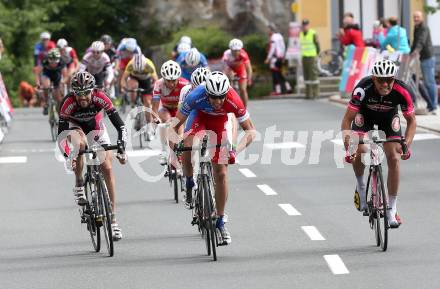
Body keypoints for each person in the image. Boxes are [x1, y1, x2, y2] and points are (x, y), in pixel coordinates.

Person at [171, 71, 256, 244]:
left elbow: (251, 132)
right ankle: (188, 181)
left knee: (222, 173)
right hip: (199, 116)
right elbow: (173, 125)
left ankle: (220, 220)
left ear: (226, 94)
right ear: (206, 93)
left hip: (219, 124)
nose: (217, 102)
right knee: (187, 145)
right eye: (213, 97)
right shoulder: (195, 96)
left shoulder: (233, 99)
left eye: (220, 98)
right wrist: (175, 146)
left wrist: (235, 151)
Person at [341, 59, 416, 228]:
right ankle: (361, 186)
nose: (385, 84)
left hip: (388, 119)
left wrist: (407, 145)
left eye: (389, 79)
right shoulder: (362, 88)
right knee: (360, 150)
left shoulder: (402, 90)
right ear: (373, 78)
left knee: (394, 157)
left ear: (394, 78)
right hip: (364, 116)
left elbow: (412, 121)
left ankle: (391, 208)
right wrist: (349, 147)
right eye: (381, 80)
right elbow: (347, 120)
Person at [57, 71, 127, 241]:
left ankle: (113, 219)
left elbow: (121, 126)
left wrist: (122, 147)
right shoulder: (68, 103)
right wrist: (69, 155)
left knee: (107, 168)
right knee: (79, 145)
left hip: (96, 129)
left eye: (86, 93)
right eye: (78, 94)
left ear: (92, 90)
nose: (82, 98)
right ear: (73, 93)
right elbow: (61, 135)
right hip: (76, 128)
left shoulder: (100, 97)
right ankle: (79, 183)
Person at [152, 60, 189, 165]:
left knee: (179, 122)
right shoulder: (158, 84)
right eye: (168, 81)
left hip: (180, 109)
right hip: (165, 108)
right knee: (168, 122)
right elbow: (154, 106)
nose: (172, 84)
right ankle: (164, 151)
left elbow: (190, 104)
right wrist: (155, 118)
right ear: (164, 78)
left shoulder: (184, 84)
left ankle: (180, 145)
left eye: (174, 80)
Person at [121, 53, 158, 138]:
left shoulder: (149, 65)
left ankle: (149, 126)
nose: (139, 72)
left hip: (146, 81)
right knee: (133, 86)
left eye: (141, 70)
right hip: (134, 79)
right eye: (137, 70)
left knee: (148, 103)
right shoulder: (130, 64)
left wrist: (153, 89)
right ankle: (134, 104)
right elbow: (123, 79)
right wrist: (123, 88)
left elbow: (156, 81)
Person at [411, 11, 438, 114]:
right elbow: (415, 42)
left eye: (418, 17)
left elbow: (421, 41)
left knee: (429, 82)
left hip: (428, 57)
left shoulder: (424, 28)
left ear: (422, 18)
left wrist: (416, 51)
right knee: (427, 82)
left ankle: (434, 106)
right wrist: (410, 52)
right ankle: (431, 105)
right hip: (422, 58)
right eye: (415, 17)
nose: (416, 18)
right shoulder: (416, 27)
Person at [36, 48, 68, 115]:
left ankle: (60, 113)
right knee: (46, 86)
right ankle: (46, 103)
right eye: (51, 60)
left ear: (59, 59)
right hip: (47, 74)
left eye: (55, 61)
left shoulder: (62, 62)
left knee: (59, 99)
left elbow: (65, 76)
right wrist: (38, 82)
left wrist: (62, 83)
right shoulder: (45, 61)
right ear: (48, 59)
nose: (53, 63)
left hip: (57, 75)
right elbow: (38, 72)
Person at [222, 38, 253, 107]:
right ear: (231, 50)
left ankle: (245, 109)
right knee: (228, 89)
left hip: (240, 70)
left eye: (238, 50)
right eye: (234, 51)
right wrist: (226, 79)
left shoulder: (244, 54)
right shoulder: (226, 54)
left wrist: (249, 79)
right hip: (230, 69)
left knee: (243, 89)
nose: (236, 53)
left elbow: (248, 68)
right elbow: (224, 68)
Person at [265, 23, 292, 96]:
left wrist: (268, 58)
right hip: (280, 58)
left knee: (275, 74)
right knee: (279, 74)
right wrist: (283, 56)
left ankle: (278, 91)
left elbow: (272, 49)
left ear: (271, 30)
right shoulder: (280, 36)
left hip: (275, 58)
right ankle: (288, 87)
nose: (267, 31)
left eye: (268, 29)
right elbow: (283, 47)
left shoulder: (273, 37)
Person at [299, 19, 320, 99]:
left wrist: (317, 55)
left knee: (313, 76)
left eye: (306, 25)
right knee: (306, 76)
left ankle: (316, 94)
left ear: (308, 25)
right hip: (304, 57)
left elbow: (317, 45)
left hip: (312, 57)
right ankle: (308, 94)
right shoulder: (301, 34)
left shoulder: (313, 33)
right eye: (303, 25)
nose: (305, 26)